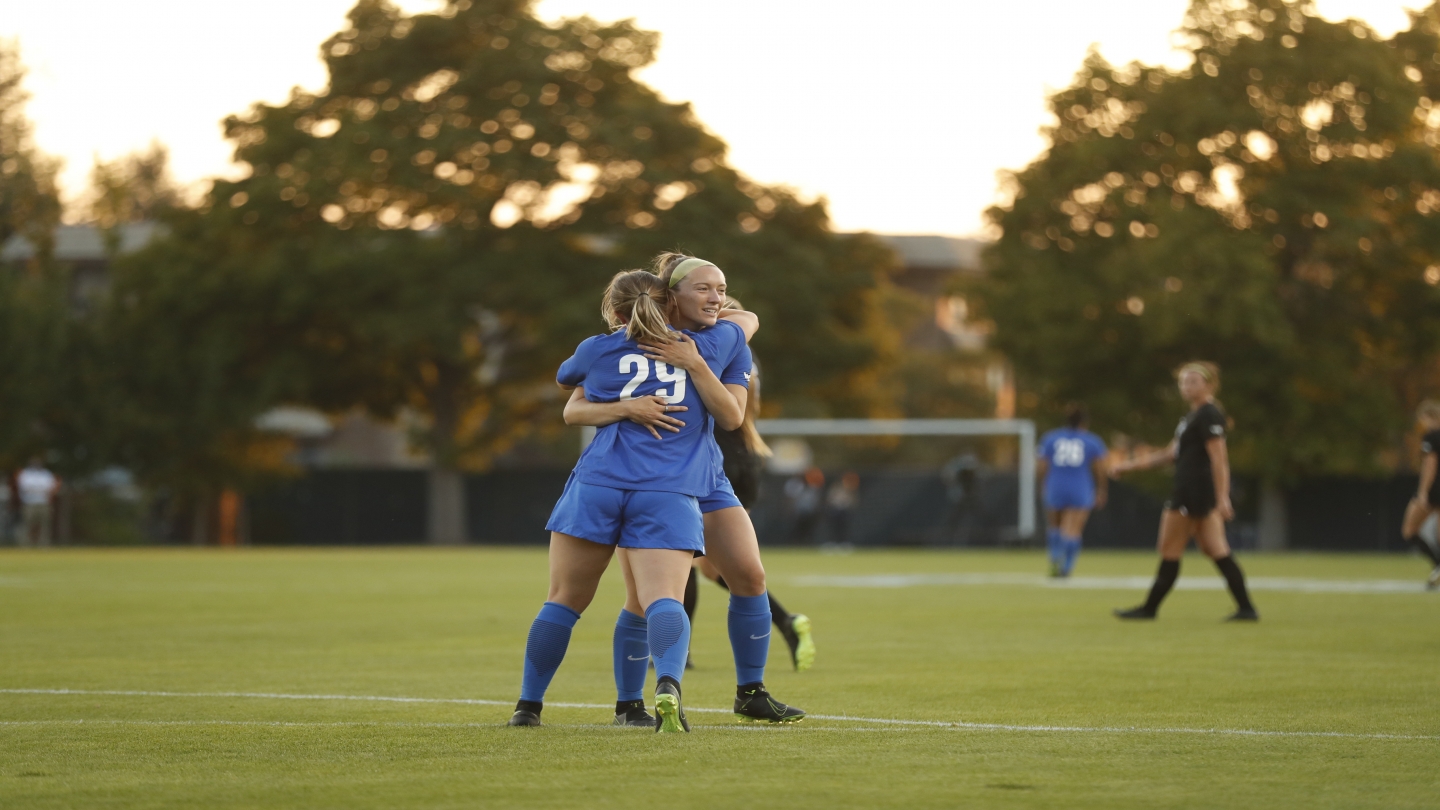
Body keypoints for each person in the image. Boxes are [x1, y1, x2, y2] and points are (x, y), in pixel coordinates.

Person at [564, 257, 806, 727]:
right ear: (670, 297)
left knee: (750, 576)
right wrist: (627, 406)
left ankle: (751, 693)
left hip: (708, 475)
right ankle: (629, 704)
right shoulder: (625, 345)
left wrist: (694, 362)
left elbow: (732, 416)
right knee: (644, 598)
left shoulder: (722, 342)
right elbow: (573, 405)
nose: (716, 298)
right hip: (645, 479)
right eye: (704, 289)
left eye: (722, 289)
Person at [508, 269, 752, 733]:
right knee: (663, 599)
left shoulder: (596, 349)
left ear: (617, 310)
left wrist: (620, 385)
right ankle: (668, 688)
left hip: (597, 484)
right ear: (671, 303)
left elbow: (566, 381)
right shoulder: (710, 344)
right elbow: (746, 321)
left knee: (562, 601)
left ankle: (528, 707)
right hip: (666, 490)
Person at [1109, 362, 1258, 621]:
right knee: (1216, 549)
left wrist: (1223, 497)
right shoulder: (1192, 417)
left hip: (1193, 491)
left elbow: (1219, 459)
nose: (1186, 387)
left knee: (1169, 548)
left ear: (1209, 385)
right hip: (1194, 490)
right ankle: (1246, 609)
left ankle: (1149, 609)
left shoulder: (1209, 414)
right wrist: (1129, 466)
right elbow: (1170, 454)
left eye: (1193, 382)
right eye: (1183, 382)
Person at [1036, 406, 1108, 577]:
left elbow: (1041, 467)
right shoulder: (1092, 441)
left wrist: (1043, 484)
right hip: (1080, 487)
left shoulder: (1051, 438)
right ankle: (1067, 567)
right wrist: (1101, 490)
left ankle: (1054, 556)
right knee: (1073, 529)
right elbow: (1100, 469)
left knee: (1055, 525)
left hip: (1056, 485)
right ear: (1084, 423)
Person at [1399, 400, 1440, 589]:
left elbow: (1430, 465)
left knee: (1410, 529)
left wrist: (1423, 492)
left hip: (1434, 491)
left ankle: (1437, 565)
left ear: (1428, 417)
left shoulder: (1431, 436)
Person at [17, 459, 58, 548]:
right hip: (29, 503)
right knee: (27, 524)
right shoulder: (25, 474)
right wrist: (40, 488)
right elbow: (25, 487)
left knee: (45, 524)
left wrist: (35, 488)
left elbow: (50, 487)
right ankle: (25, 545)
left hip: (44, 502)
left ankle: (44, 545)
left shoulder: (46, 474)